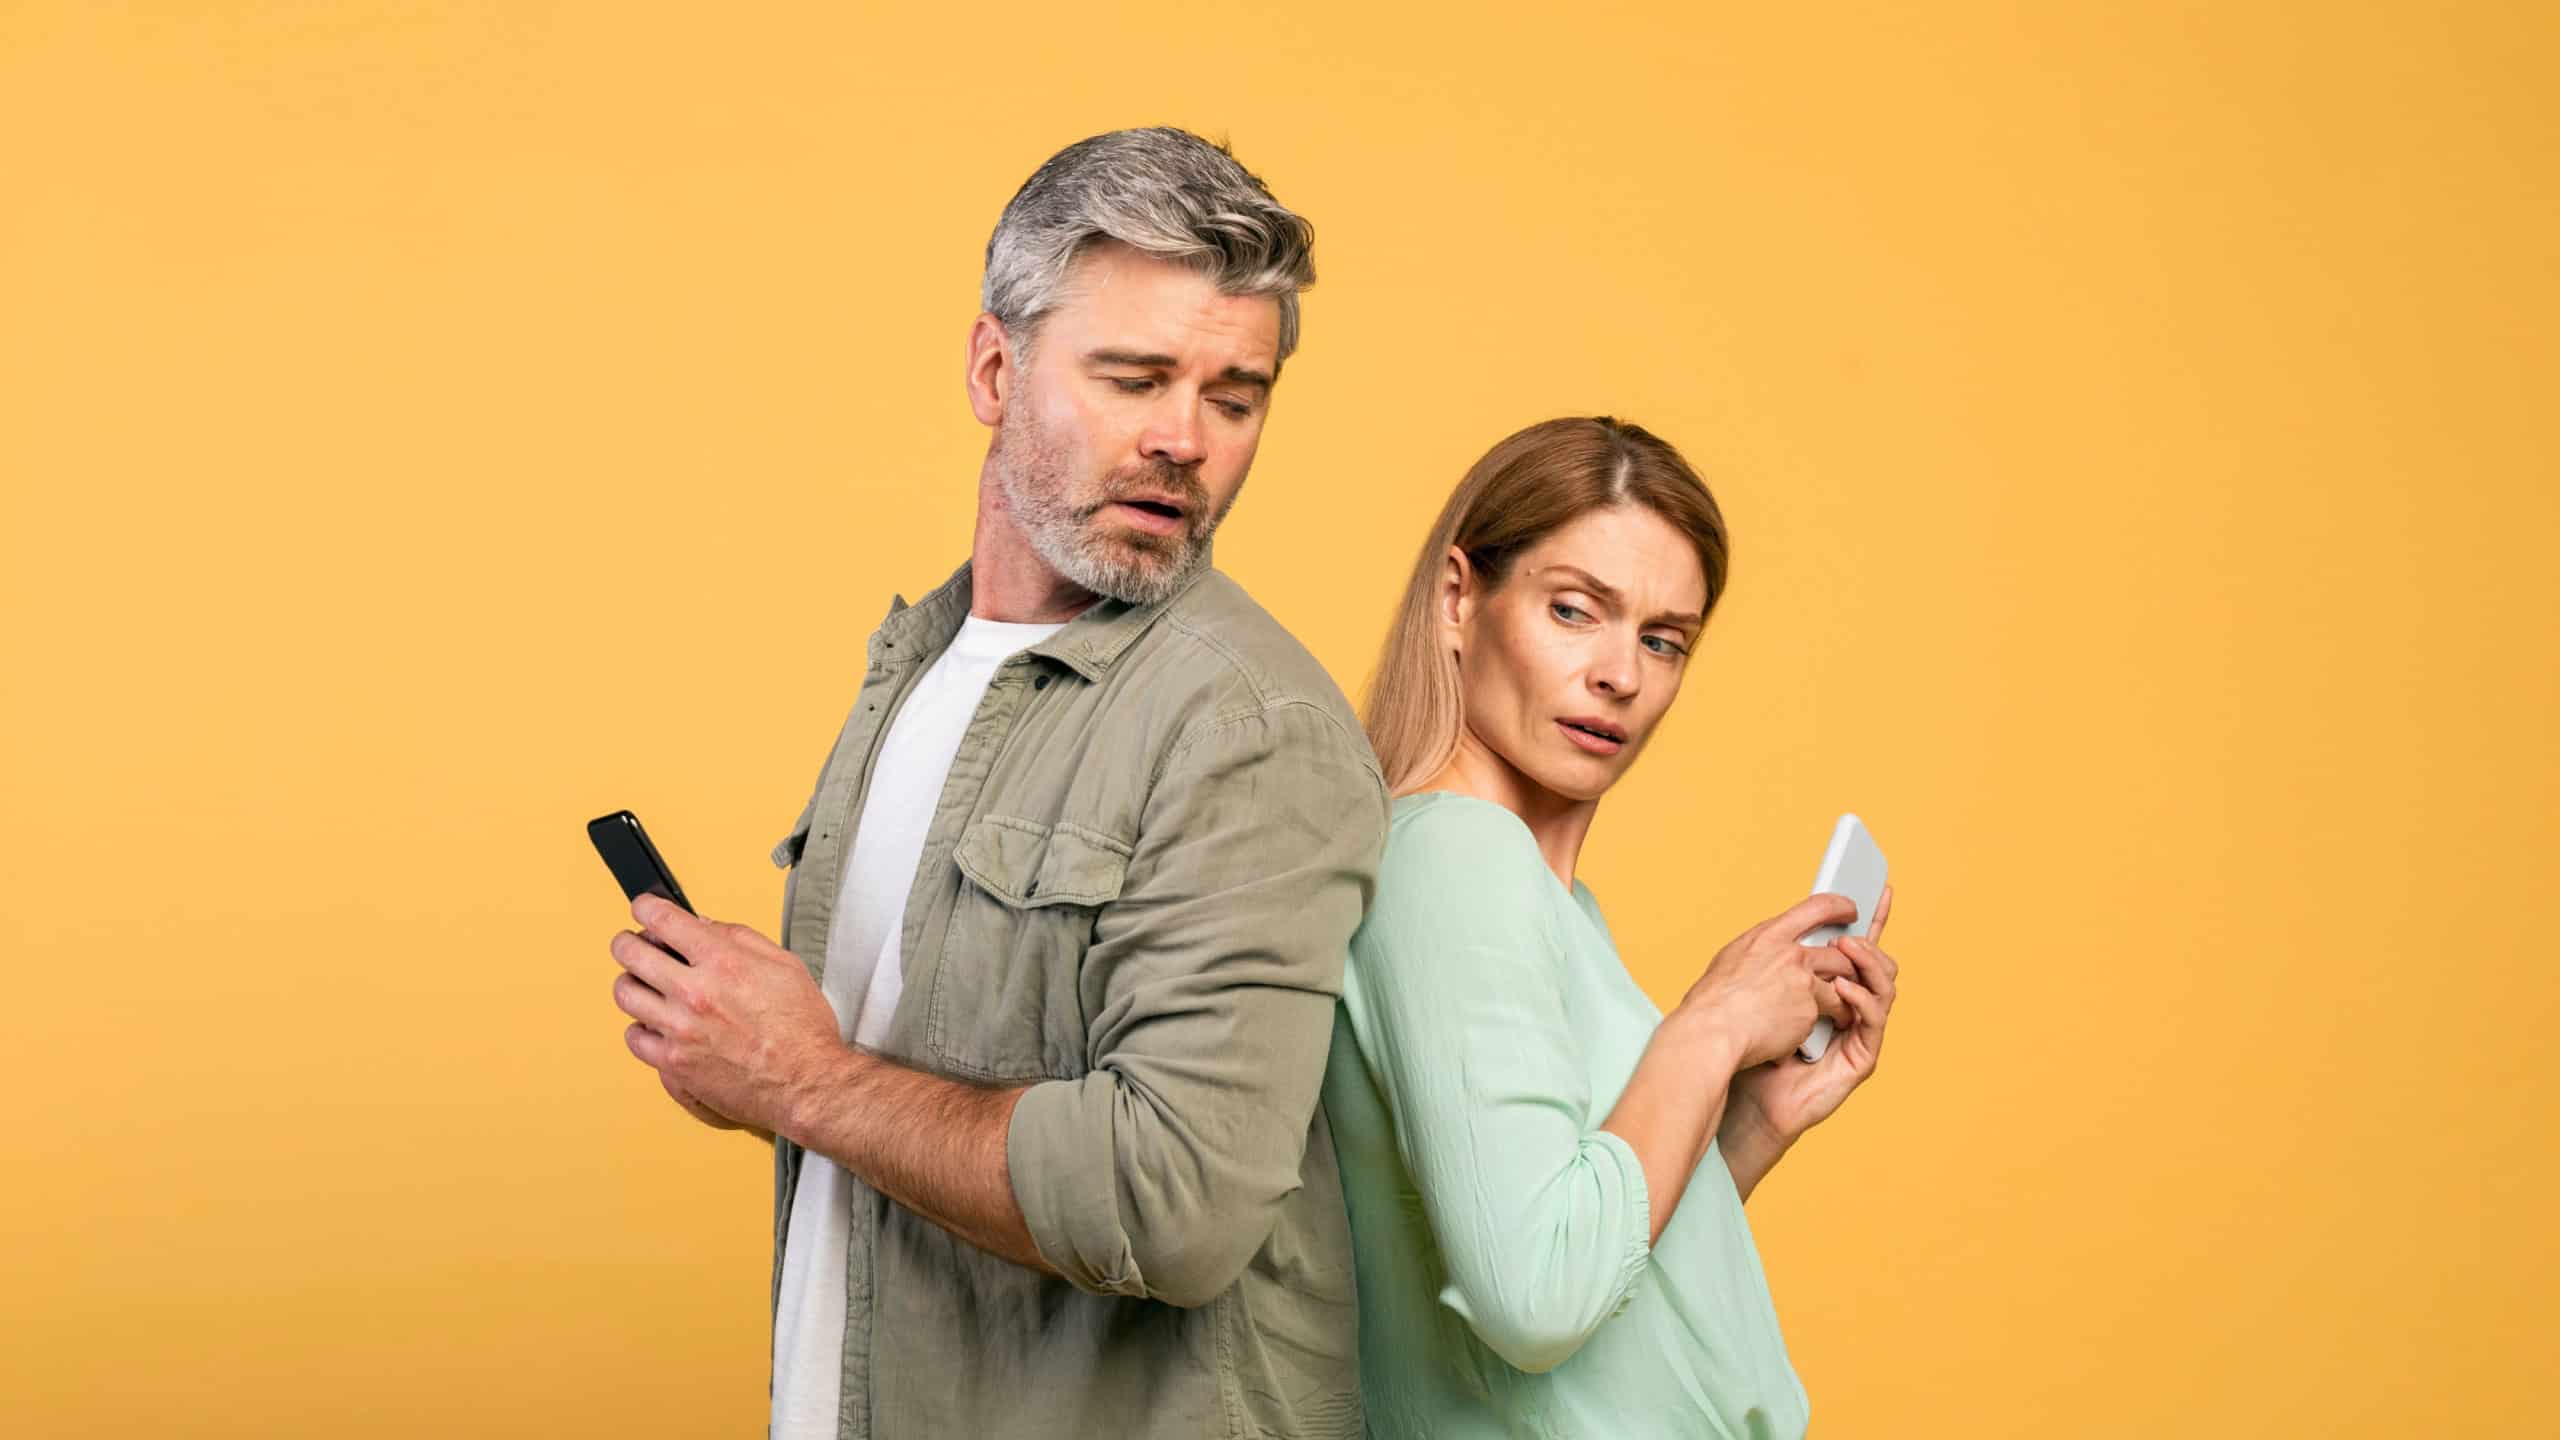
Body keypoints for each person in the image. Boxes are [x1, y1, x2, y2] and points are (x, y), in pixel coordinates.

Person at [604, 128, 1388, 1440]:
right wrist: (744, 1059)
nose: (1186, 441)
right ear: (992, 367)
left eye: (1235, 397)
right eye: (1134, 378)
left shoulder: (1250, 731)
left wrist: (801, 1078)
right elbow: (900, 1083)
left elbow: (1175, 1200)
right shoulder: (918, 659)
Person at [1321, 417, 1904, 1438]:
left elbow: (1575, 1269)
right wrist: (1710, 1030)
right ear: (1460, 599)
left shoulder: (1536, 896)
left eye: (1661, 639)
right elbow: (1533, 1299)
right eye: (1574, 611)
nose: (1620, 676)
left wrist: (1747, 1125)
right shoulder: (1456, 859)